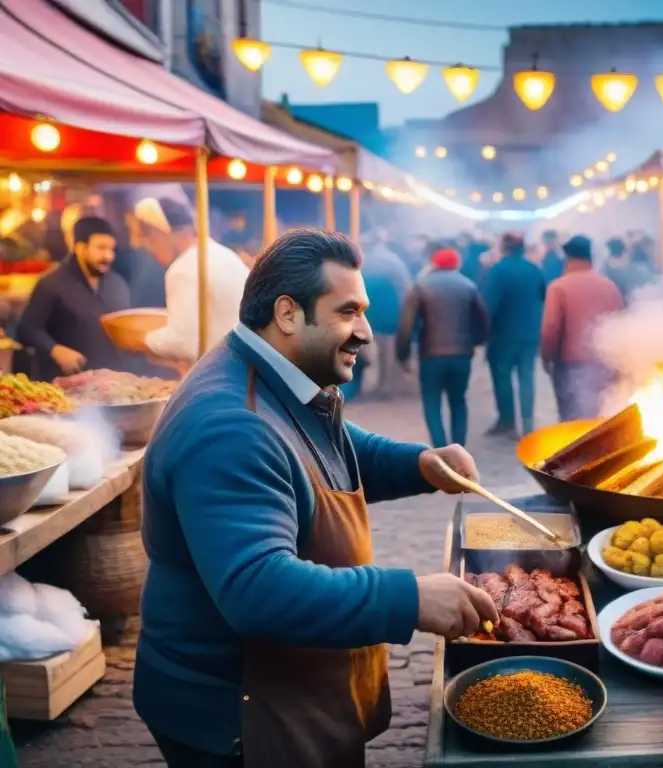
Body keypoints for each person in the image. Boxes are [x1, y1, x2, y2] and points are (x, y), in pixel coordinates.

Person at [134, 229, 498, 768]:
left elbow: (323, 448)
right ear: (287, 313)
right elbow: (258, 588)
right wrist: (411, 598)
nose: (365, 333)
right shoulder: (231, 427)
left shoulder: (273, 373)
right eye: (348, 312)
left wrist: (419, 464)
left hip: (297, 687)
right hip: (238, 714)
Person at [135, 197, 249, 367]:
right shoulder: (225, 255)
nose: (150, 248)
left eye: (151, 239)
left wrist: (143, 339)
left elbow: (184, 342)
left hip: (218, 372)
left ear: (165, 232)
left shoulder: (183, 268)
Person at [18, 216, 132, 380]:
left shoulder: (118, 285)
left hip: (110, 385)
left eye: (111, 249)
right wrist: (55, 350)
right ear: (80, 248)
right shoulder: (52, 283)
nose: (108, 256)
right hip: (62, 384)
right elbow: (27, 328)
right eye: (101, 248)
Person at [396, 247, 489, 447]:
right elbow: (482, 321)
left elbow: (406, 325)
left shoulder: (421, 286)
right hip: (462, 355)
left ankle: (440, 449)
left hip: (431, 355)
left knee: (432, 403)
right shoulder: (468, 286)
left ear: (434, 263)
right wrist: (475, 342)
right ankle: (458, 448)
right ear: (456, 263)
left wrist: (402, 354)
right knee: (458, 402)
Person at [541, 236, 623, 420]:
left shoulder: (558, 287)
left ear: (568, 259)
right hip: (605, 363)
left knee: (572, 420)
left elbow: (551, 328)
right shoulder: (609, 286)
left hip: (570, 365)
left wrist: (547, 358)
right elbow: (620, 322)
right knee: (602, 416)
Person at [481, 233, 546, 436]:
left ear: (503, 248)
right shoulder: (534, 269)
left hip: (503, 335)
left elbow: (488, 305)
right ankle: (527, 424)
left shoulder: (497, 271)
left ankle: (507, 420)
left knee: (502, 377)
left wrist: (483, 333)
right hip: (530, 335)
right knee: (527, 377)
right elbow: (543, 296)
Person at [361, 229, 412, 399]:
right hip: (392, 314)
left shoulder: (374, 261)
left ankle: (386, 388)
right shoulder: (391, 259)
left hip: (385, 315)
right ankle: (386, 386)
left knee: (385, 354)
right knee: (387, 354)